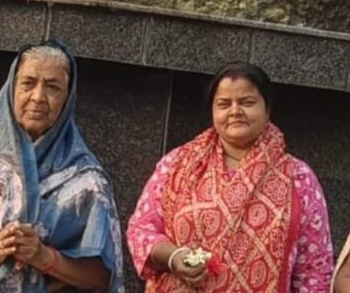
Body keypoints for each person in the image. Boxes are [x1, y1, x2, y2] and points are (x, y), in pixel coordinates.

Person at [0, 40, 123, 293]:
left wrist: (44, 258)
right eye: (28, 83)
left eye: (53, 87)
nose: (38, 97)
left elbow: (103, 277)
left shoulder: (87, 181)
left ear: (67, 99)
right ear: (11, 89)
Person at [127, 61, 332, 293]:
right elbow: (141, 230)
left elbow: (315, 269)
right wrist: (174, 257)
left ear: (267, 108)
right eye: (224, 104)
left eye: (247, 102)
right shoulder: (177, 165)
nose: (235, 111)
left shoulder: (298, 178)